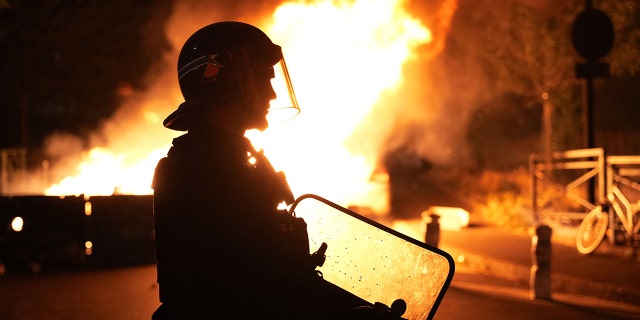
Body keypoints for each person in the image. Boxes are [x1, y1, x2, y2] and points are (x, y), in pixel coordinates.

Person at [151, 21, 380, 319]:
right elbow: (244, 288)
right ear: (223, 79)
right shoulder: (205, 169)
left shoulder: (227, 158)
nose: (272, 95)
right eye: (261, 80)